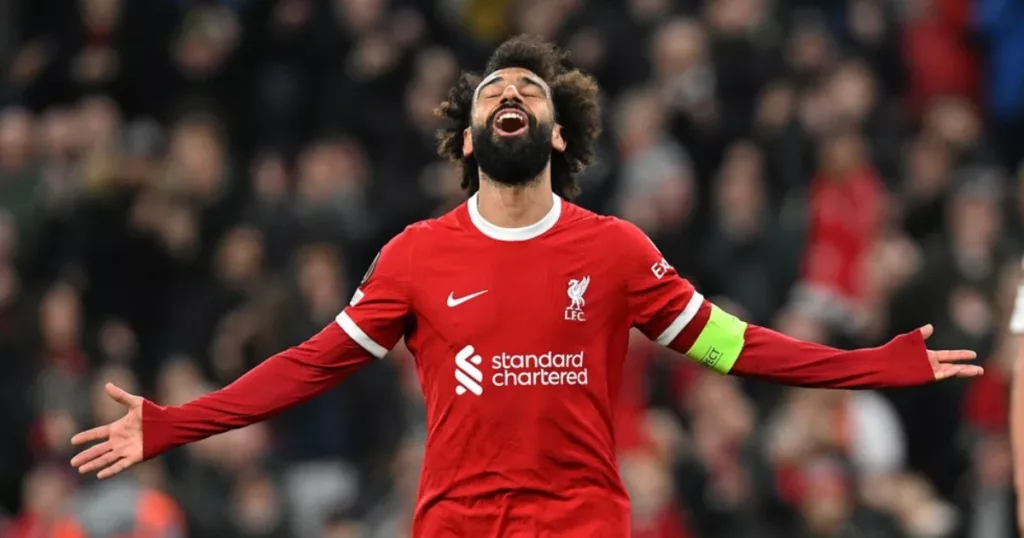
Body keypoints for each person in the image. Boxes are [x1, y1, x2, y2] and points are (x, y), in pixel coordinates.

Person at [69, 36, 981, 537]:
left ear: (554, 136)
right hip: (457, 525)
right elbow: (308, 365)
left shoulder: (619, 252)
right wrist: (176, 424)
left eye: (529, 91)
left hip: (580, 523)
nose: (512, 93)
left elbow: (735, 345)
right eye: (493, 89)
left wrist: (871, 365)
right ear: (468, 140)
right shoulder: (414, 258)